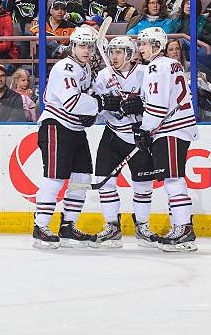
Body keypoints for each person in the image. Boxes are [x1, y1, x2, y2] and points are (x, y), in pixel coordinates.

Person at [32, 26, 123, 249]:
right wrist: (100, 105)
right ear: (73, 46)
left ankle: (68, 226)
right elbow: (72, 102)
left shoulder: (86, 69)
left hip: (75, 130)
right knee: (54, 179)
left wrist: (93, 111)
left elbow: (86, 102)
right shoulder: (65, 68)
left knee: (81, 179)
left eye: (90, 46)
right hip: (57, 126)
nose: (87, 50)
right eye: (82, 45)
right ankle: (40, 227)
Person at [133, 27, 199, 252]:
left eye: (143, 43)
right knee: (173, 178)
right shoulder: (170, 64)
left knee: (173, 179)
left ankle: (184, 229)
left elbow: (158, 105)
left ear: (156, 45)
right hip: (177, 127)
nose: (140, 48)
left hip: (170, 129)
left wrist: (144, 129)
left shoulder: (156, 66)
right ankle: (180, 227)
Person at [91, 36, 161, 248]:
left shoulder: (144, 73)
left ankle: (142, 226)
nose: (114, 56)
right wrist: (104, 104)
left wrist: (141, 105)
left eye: (119, 52)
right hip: (112, 134)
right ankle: (112, 227)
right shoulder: (103, 76)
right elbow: (94, 110)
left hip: (138, 135)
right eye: (111, 52)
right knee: (105, 182)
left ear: (130, 54)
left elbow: (156, 101)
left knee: (143, 185)